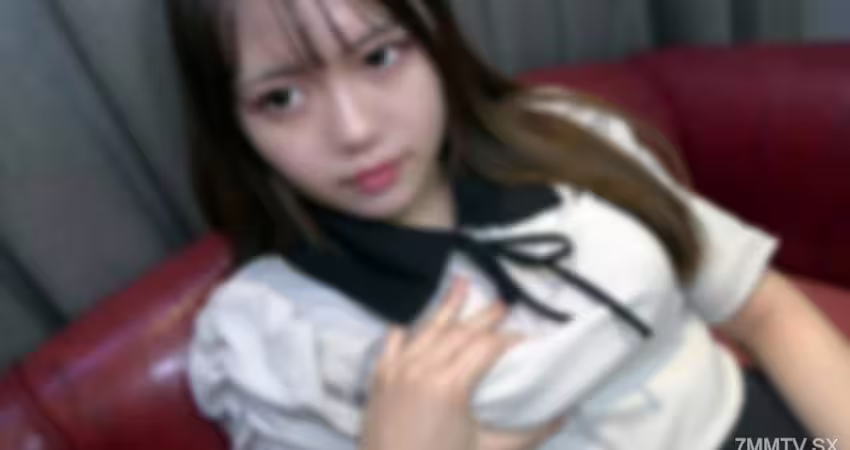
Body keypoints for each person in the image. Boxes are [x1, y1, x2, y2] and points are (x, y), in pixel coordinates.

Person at [166, 0, 850, 449]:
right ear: (234, 126)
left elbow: (765, 311)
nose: (355, 130)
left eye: (379, 57)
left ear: (436, 43)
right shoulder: (266, 333)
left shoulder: (568, 137)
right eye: (282, 97)